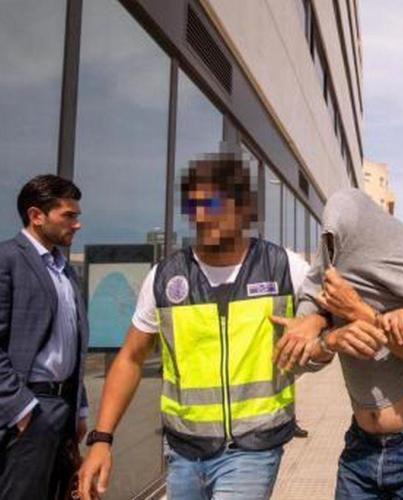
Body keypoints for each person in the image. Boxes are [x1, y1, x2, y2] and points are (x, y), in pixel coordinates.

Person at [78, 155, 311, 500]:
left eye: (213, 204)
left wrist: (315, 322)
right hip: (183, 451)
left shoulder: (283, 267)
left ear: (242, 207)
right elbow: (130, 357)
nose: (202, 215)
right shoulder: (165, 276)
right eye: (195, 206)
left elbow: (333, 311)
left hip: (254, 447)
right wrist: (102, 438)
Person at [274, 188, 403, 499]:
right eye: (328, 239)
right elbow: (299, 361)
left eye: (337, 239)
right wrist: (327, 334)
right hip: (360, 450)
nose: (332, 252)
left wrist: (361, 313)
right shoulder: (329, 266)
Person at [0, 174, 89, 499]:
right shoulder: (7, 260)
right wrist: (21, 408)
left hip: (63, 409)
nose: (77, 224)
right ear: (36, 215)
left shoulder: (65, 270)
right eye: (68, 215)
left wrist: (80, 408)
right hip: (30, 409)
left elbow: (72, 346)